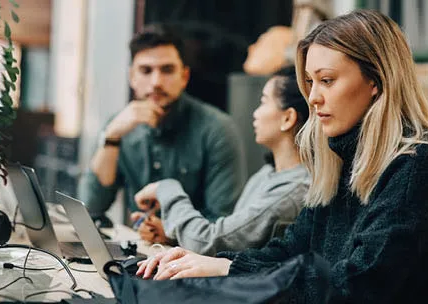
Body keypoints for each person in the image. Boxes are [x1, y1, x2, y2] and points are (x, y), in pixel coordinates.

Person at [135, 10, 428, 303]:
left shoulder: (422, 166)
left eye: (326, 80)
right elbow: (290, 253)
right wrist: (207, 263)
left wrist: (223, 270)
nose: (312, 98)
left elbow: (357, 288)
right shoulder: (344, 161)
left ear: (377, 81)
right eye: (310, 82)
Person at [77, 24, 247, 226]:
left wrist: (169, 232)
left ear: (184, 77)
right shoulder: (120, 126)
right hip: (139, 251)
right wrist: (111, 137)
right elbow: (90, 207)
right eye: (146, 70)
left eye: (167, 70)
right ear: (132, 77)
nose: (156, 82)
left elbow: (223, 221)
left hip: (194, 254)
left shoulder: (217, 130)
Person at [131, 67, 311, 255]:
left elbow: (208, 243)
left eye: (263, 102)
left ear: (288, 117)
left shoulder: (291, 192)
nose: (255, 113)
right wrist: (172, 235)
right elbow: (229, 239)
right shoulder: (267, 174)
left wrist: (166, 189)